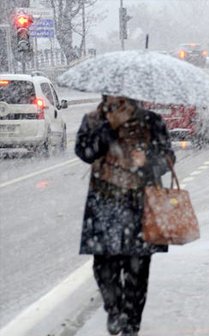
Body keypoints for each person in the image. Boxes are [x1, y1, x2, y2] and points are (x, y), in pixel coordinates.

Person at [75, 95, 175, 335]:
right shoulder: (94, 121)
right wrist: (108, 130)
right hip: (104, 205)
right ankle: (114, 308)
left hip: (140, 206)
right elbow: (85, 151)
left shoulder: (151, 121)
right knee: (103, 266)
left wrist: (147, 162)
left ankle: (131, 324)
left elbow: (168, 157)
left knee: (138, 271)